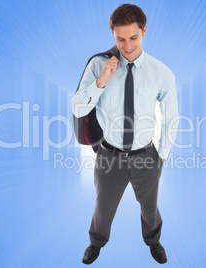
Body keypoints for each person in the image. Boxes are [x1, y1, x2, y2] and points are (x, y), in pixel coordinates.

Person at [71, 3, 179, 265]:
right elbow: (76, 107)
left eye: (133, 37)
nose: (127, 45)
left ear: (144, 31)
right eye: (120, 38)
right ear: (113, 34)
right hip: (109, 155)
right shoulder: (99, 65)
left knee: (149, 206)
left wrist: (162, 155)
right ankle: (96, 243)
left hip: (146, 155)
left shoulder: (161, 72)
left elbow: (171, 116)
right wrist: (100, 82)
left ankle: (153, 241)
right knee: (103, 207)